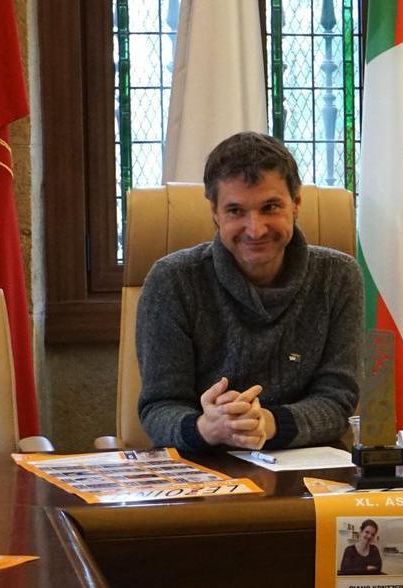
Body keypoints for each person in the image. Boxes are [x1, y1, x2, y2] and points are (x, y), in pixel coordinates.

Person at [136, 131, 362, 451]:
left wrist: (266, 423)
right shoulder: (172, 281)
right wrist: (208, 427)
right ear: (215, 212)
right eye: (235, 211)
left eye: (270, 207)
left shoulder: (338, 277)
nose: (255, 229)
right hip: (203, 464)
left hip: (308, 465)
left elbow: (338, 401)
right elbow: (158, 408)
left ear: (296, 204)